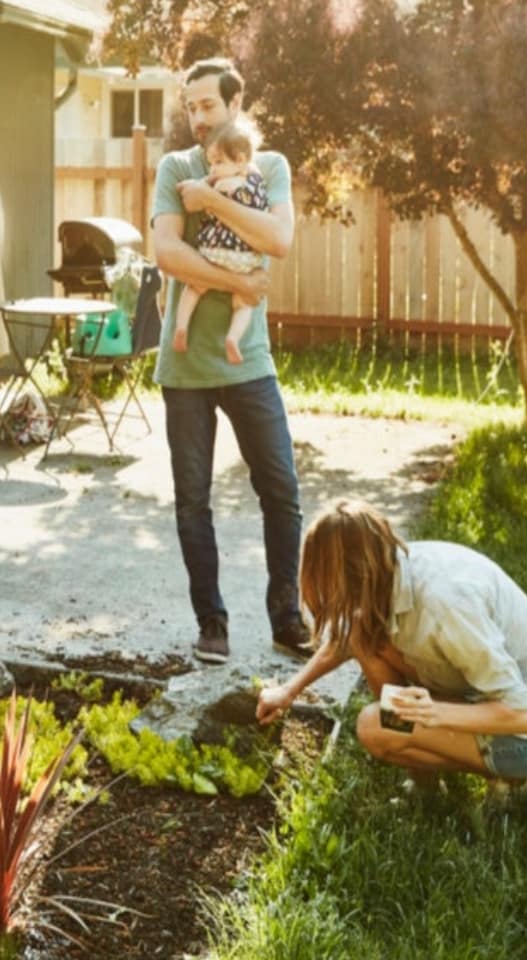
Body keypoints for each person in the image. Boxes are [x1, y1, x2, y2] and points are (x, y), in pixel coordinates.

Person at [151, 57, 310, 665]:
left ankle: (287, 617)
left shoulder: (270, 167)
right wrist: (240, 283)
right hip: (186, 367)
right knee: (192, 499)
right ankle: (211, 623)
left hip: (249, 363)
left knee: (282, 490)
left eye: (207, 106)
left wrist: (212, 205)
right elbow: (168, 254)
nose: (196, 119)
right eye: (189, 107)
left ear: (236, 102)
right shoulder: (175, 168)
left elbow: (278, 241)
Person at [257, 500, 527, 782]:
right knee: (363, 634)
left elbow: (517, 712)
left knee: (374, 725)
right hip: (485, 700)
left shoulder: (446, 604)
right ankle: (424, 772)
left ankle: (503, 778)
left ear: (358, 577)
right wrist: (289, 691)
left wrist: (433, 714)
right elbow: (346, 639)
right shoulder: (392, 568)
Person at [172, 119, 270, 365]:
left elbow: (199, 193)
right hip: (245, 259)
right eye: (211, 163)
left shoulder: (224, 184)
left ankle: (181, 327)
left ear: (238, 160)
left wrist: (192, 186)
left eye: (218, 162)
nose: (213, 169)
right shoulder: (255, 179)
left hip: (217, 252)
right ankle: (233, 339)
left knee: (194, 287)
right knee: (243, 303)